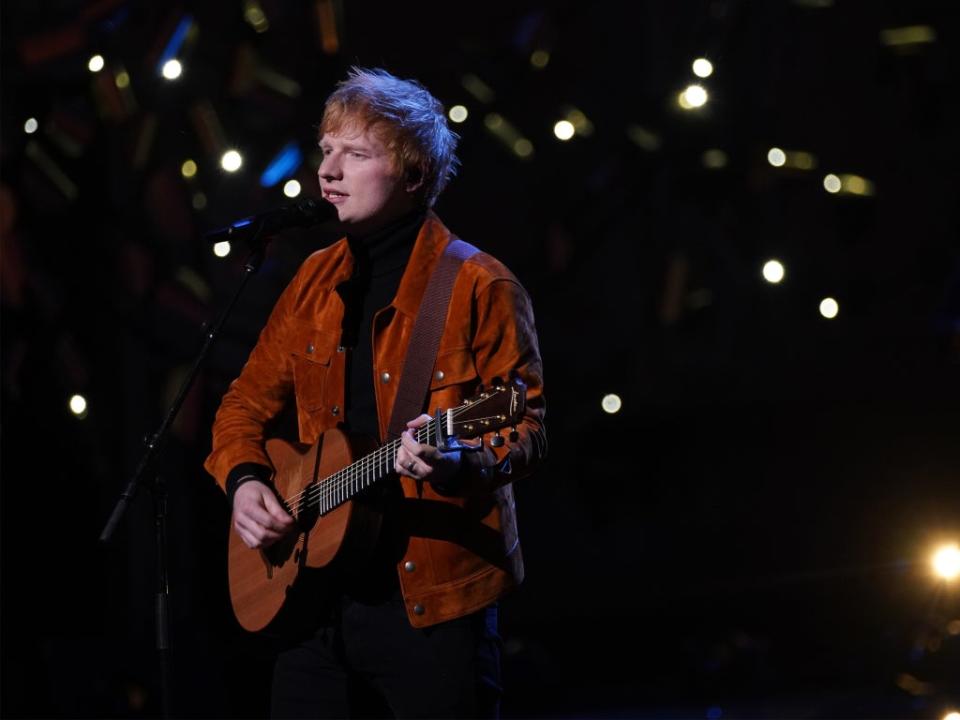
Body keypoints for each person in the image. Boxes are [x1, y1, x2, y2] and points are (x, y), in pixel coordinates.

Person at [204, 67, 546, 718]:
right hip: (312, 602)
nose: (328, 170)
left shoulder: (479, 286)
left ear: (414, 174)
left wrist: (459, 460)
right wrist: (246, 479)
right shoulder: (312, 279)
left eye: (355, 154)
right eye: (327, 150)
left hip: (431, 607)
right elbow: (243, 403)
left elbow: (524, 425)